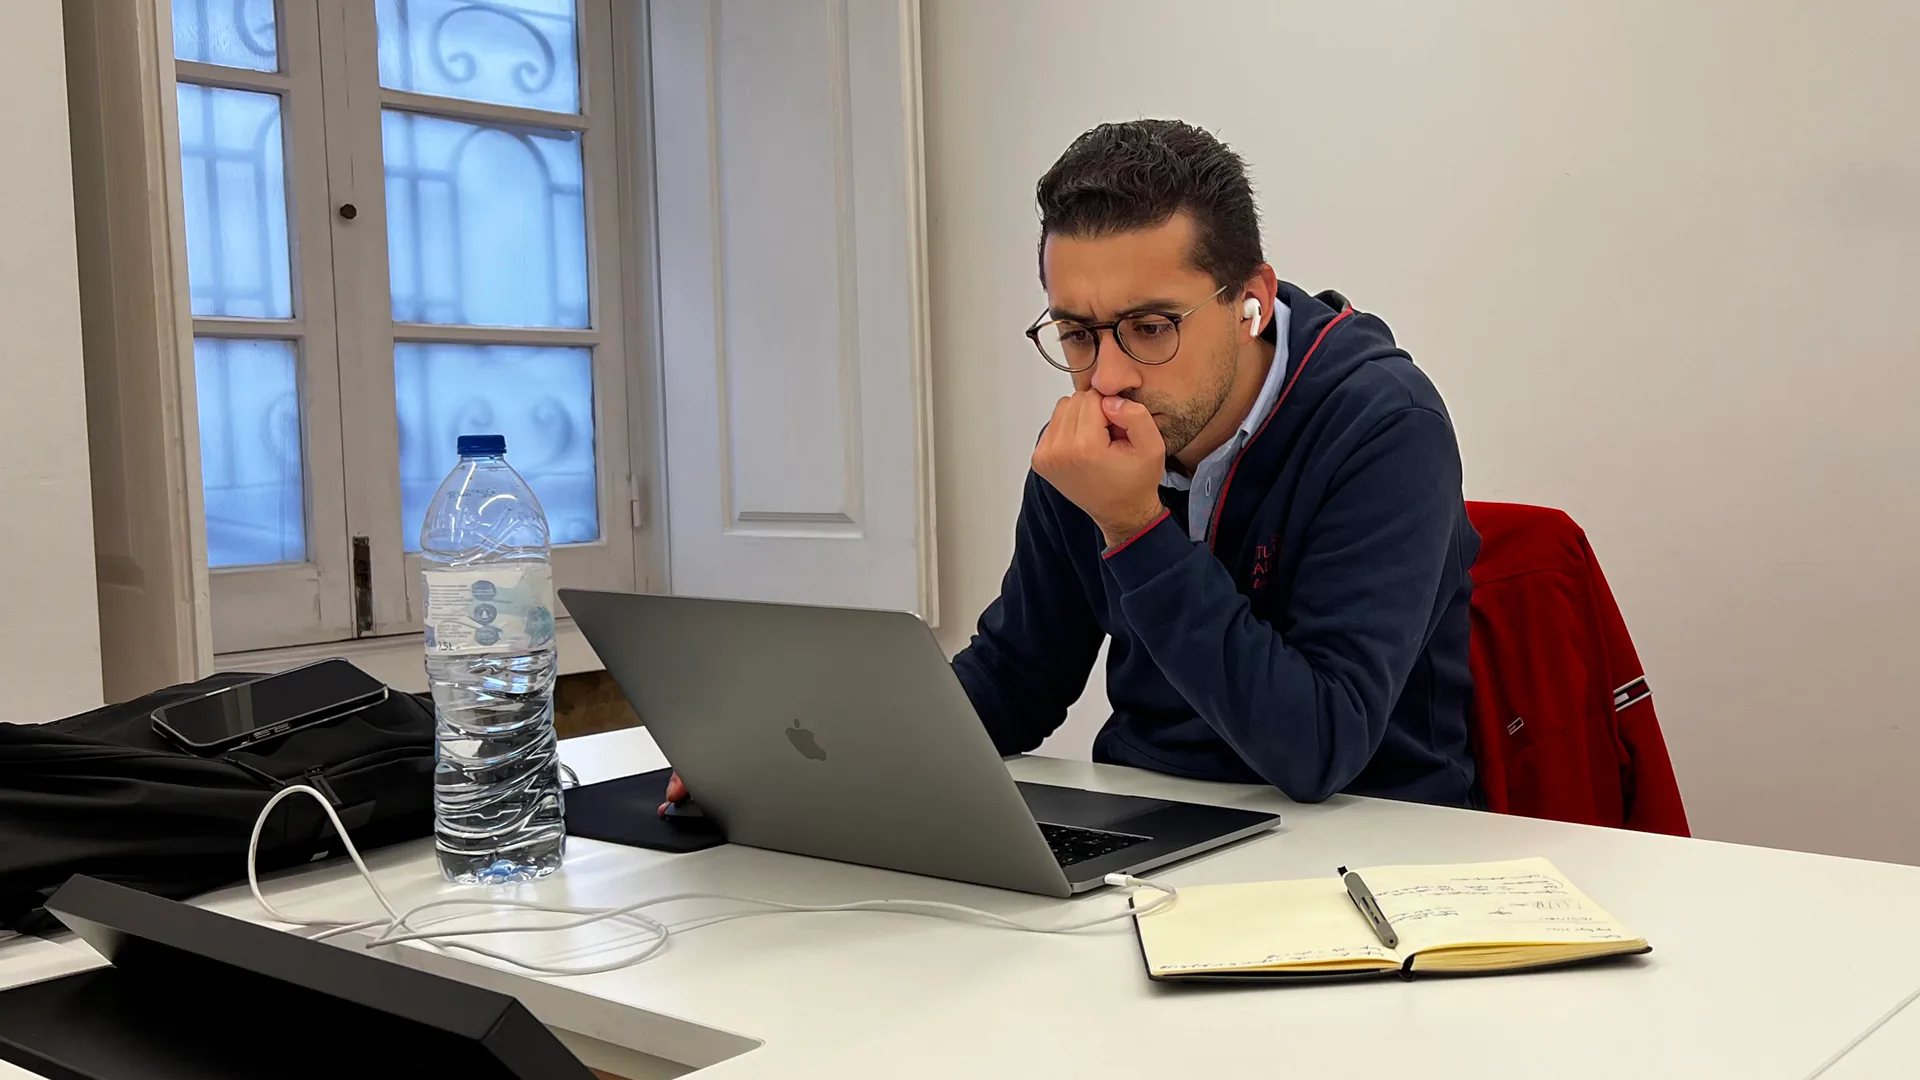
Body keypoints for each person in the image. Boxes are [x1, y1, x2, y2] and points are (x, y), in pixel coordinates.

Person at [663, 119, 1478, 815]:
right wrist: (816, 763)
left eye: (1152, 326)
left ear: (1250, 300)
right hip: (1157, 826)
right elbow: (1019, 678)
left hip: (1370, 848)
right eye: (1077, 333)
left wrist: (1134, 528)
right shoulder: (1105, 432)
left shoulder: (1383, 426)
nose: (1109, 376)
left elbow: (1320, 748)